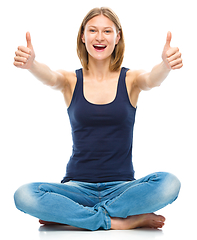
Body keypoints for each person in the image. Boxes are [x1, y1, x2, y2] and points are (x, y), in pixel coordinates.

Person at [13, 7, 183, 231]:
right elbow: (50, 77)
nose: (100, 37)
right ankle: (121, 221)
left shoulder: (130, 79)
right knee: (24, 195)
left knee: (169, 183)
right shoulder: (70, 80)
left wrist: (165, 66)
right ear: (83, 36)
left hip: (122, 188)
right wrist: (31, 65)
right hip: (77, 188)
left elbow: (152, 79)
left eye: (107, 31)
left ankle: (72, 216)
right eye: (93, 30)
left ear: (117, 37)